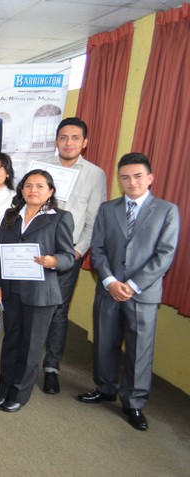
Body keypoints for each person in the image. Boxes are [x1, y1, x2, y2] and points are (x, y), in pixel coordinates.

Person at [78, 153, 179, 432]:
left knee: (139, 350)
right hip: (109, 289)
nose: (131, 182)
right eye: (125, 177)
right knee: (104, 342)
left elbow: (165, 255)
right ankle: (105, 388)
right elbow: (97, 248)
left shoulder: (167, 211)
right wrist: (110, 281)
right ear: (119, 180)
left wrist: (132, 285)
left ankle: (134, 402)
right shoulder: (108, 209)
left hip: (142, 294)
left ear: (150, 178)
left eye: (137, 176)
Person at [0, 170, 75, 412]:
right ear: (21, 190)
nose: (32, 190)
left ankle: (19, 394)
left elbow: (69, 256)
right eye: (28, 185)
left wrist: (54, 261)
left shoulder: (60, 218)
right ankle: (3, 390)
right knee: (10, 344)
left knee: (30, 348)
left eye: (39, 186)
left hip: (40, 294)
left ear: (50, 191)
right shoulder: (11, 216)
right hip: (11, 291)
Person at [38, 117, 106, 395]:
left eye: (75, 138)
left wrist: (78, 252)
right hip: (36, 251)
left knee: (58, 311)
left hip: (68, 254)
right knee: (29, 306)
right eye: (63, 137)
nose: (68, 143)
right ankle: (25, 360)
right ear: (56, 140)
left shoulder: (94, 174)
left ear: (84, 142)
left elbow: (94, 220)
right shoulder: (42, 167)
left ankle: (51, 368)